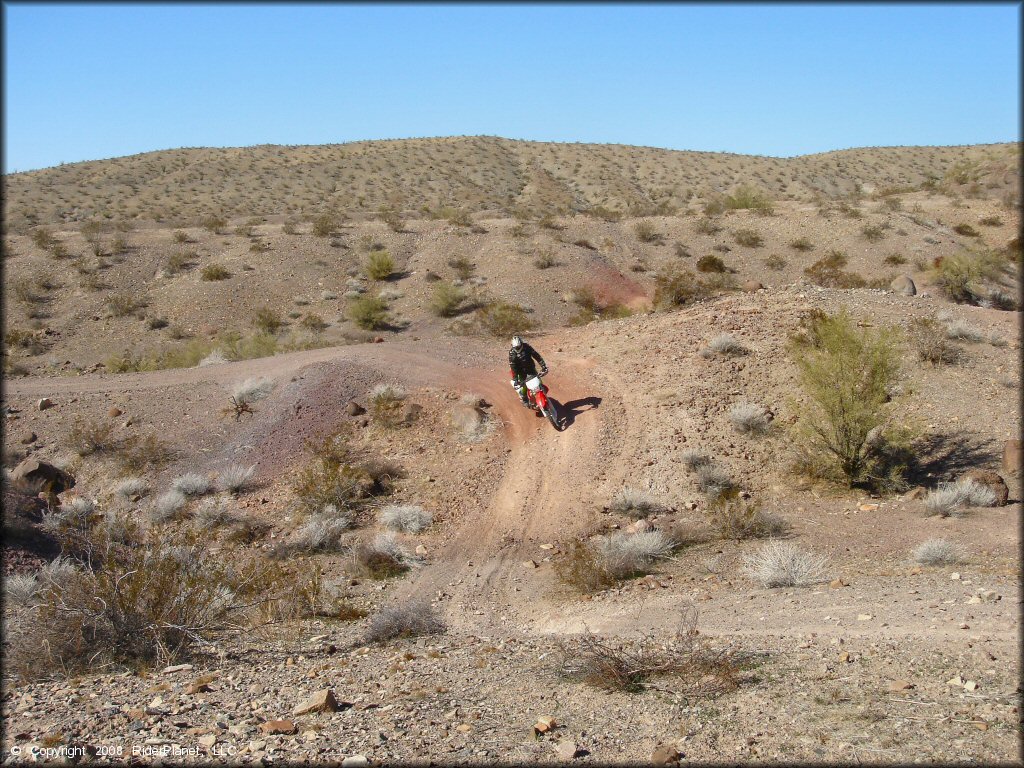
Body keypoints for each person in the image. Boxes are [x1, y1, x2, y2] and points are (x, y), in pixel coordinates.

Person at [508, 335, 548, 408]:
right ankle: (524, 399)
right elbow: (513, 367)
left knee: (538, 381)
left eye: (519, 346)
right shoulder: (512, 354)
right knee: (524, 386)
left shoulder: (527, 347)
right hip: (520, 372)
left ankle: (541, 392)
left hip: (531, 368)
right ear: (513, 346)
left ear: (522, 344)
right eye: (516, 347)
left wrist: (543, 366)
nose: (518, 348)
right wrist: (516, 379)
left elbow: (536, 356)